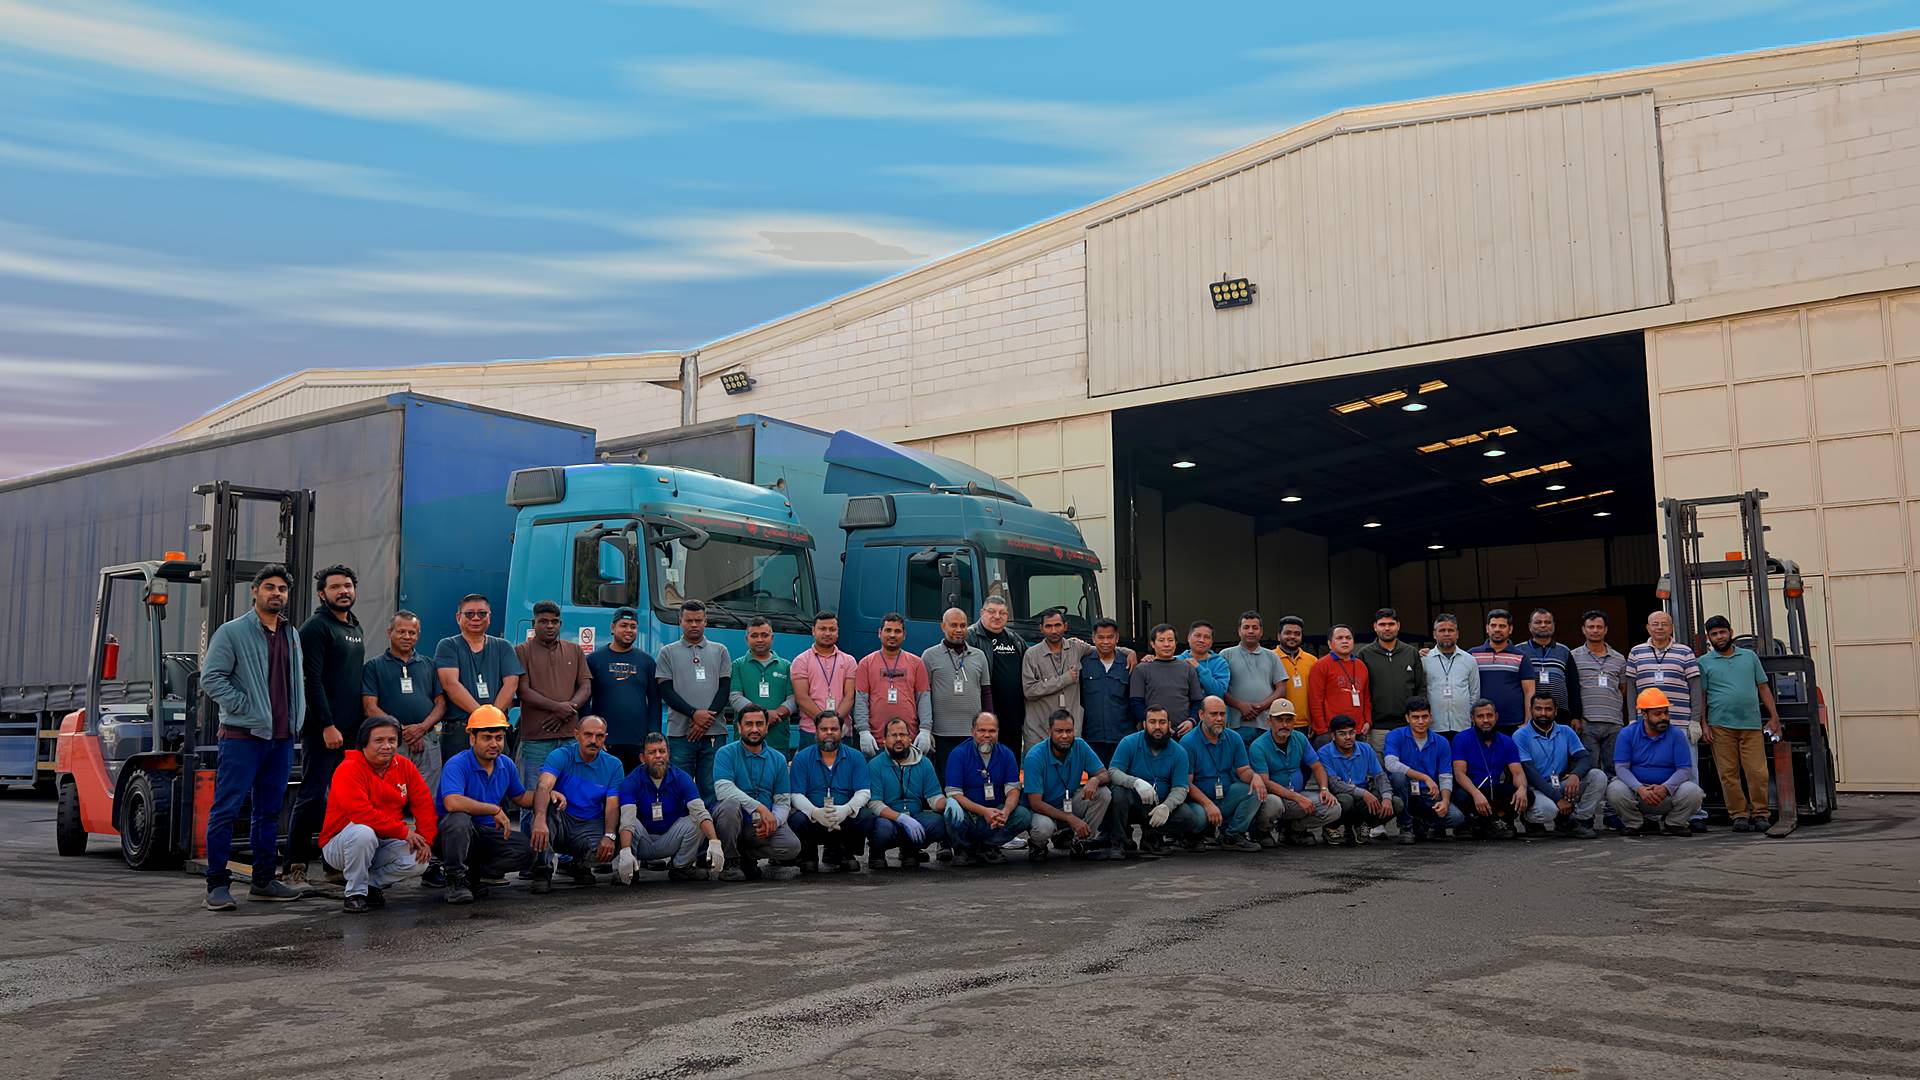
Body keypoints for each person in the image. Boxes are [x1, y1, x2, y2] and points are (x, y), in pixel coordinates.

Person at [200, 563, 306, 911]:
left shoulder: (291, 634)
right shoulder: (232, 632)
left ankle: (263, 881)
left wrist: (297, 718)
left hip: (281, 738)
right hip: (242, 737)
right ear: (255, 591)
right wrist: (245, 707)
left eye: (282, 589)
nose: (277, 593)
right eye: (270, 587)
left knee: (269, 812)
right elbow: (211, 678)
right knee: (227, 810)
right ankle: (217, 884)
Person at [288, 563, 365, 886]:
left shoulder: (354, 625)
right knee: (312, 796)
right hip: (324, 729)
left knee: (344, 799)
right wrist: (327, 724)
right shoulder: (316, 628)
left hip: (351, 729)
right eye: (335, 587)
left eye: (347, 585)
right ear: (322, 594)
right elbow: (311, 680)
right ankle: (294, 866)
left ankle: (333, 863)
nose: (343, 591)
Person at [360, 610, 447, 885]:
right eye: (401, 631)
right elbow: (370, 706)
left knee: (428, 804)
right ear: (390, 633)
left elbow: (441, 704)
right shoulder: (374, 666)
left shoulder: (429, 665)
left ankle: (430, 863)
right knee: (385, 804)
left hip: (427, 742)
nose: (407, 636)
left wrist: (422, 728)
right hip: (390, 746)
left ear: (418, 635)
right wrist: (400, 733)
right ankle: (379, 859)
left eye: (412, 632)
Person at [319, 717, 434, 913]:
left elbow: (424, 804)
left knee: (418, 860)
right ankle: (354, 894)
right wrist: (404, 832)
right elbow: (361, 813)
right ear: (364, 743)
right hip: (341, 844)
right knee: (364, 832)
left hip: (383, 840)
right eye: (379, 740)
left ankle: (370, 886)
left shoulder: (404, 766)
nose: (387, 746)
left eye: (392, 740)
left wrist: (426, 840)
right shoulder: (348, 768)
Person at [433, 705, 537, 904]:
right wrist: (493, 809)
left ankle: (472, 876)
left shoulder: (506, 764)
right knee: (459, 819)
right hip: (452, 837)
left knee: (527, 850)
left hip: (486, 834)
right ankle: (455, 880)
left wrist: (547, 794)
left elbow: (522, 797)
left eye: (499, 738)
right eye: (487, 738)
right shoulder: (457, 764)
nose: (494, 744)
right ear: (472, 738)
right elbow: (452, 802)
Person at [1698, 615, 1784, 833]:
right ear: (1709, 638)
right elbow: (1702, 695)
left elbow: (1763, 687)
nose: (1719, 637)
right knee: (1728, 774)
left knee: (1757, 772)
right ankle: (1739, 815)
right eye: (1714, 634)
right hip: (1720, 725)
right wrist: (1704, 724)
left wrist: (1774, 717)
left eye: (1722, 632)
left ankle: (1761, 813)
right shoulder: (1703, 662)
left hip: (1751, 724)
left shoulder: (1749, 657)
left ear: (1731, 632)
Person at [1624, 611, 1706, 830]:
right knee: (1650, 767)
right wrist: (1632, 719)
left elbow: (1695, 688)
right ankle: (1652, 815)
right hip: (1646, 727)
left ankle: (1695, 815)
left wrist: (1694, 720)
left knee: (1689, 769)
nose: (1659, 628)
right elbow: (1631, 688)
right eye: (1655, 624)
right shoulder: (1636, 652)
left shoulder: (1685, 652)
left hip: (1679, 723)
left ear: (1671, 628)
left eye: (1664, 624)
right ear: (1648, 628)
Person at [528, 715, 624, 893]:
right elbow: (543, 785)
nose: (593, 741)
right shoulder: (560, 755)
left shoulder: (614, 765)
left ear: (605, 737)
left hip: (589, 825)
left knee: (617, 839)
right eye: (588, 735)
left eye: (599, 736)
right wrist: (539, 819)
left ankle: (581, 865)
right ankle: (543, 870)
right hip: (561, 820)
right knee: (547, 803)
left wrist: (609, 835)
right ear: (576, 734)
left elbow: (612, 805)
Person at [613, 732, 723, 883]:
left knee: (697, 820)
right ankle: (628, 866)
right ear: (642, 758)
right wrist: (625, 850)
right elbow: (627, 819)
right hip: (642, 840)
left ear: (668, 754)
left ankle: (681, 867)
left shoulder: (682, 778)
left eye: (662, 751)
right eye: (652, 752)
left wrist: (714, 841)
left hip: (670, 838)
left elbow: (700, 812)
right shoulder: (631, 781)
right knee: (627, 820)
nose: (658, 756)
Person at [432, 592, 522, 776]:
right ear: (458, 617)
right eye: (469, 614)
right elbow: (450, 684)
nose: (475, 618)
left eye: (482, 613)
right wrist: (484, 718)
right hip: (460, 731)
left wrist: (490, 721)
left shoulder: (503, 647)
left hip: (495, 732)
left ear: (489, 616)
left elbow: (511, 684)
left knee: (498, 781)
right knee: (459, 782)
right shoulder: (448, 646)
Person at [711, 704, 801, 881]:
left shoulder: (778, 759)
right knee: (729, 807)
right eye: (749, 724)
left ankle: (746, 857)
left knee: (792, 846)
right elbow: (723, 790)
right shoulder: (725, 753)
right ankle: (730, 862)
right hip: (732, 824)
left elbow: (783, 801)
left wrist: (773, 821)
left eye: (759, 724)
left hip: (760, 827)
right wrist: (760, 808)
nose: (754, 729)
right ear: (739, 727)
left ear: (767, 727)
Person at [514, 600, 591, 799]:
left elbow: (585, 686)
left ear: (560, 624)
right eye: (544, 621)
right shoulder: (522, 651)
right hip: (536, 739)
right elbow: (523, 691)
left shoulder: (575, 650)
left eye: (554, 622)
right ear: (534, 624)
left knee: (572, 795)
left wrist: (567, 709)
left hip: (570, 736)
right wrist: (558, 708)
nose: (550, 626)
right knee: (534, 795)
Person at [657, 599, 731, 804]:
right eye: (689, 620)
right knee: (680, 786)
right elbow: (666, 690)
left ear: (705, 621)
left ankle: (711, 823)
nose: (694, 625)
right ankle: (684, 822)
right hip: (681, 733)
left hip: (714, 732)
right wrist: (694, 714)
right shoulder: (667, 652)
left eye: (698, 620)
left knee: (712, 787)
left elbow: (725, 689)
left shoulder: (720, 650)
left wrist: (705, 720)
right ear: (680, 621)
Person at [1608, 687, 1706, 836]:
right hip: (1637, 794)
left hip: (1667, 794)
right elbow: (1621, 768)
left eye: (1666, 712)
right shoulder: (1627, 733)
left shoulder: (1677, 734)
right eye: (1657, 714)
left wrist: (1665, 787)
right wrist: (1639, 788)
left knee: (1694, 792)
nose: (1664, 717)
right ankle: (1634, 823)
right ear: (1644, 714)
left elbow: (1684, 769)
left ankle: (1674, 823)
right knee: (1614, 789)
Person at [1175, 696, 1267, 851]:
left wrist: (1255, 777)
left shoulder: (1234, 738)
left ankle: (1232, 836)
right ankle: (1191, 836)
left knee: (1255, 791)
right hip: (1199, 802)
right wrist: (1208, 805)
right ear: (1201, 715)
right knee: (1198, 818)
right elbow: (1186, 784)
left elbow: (1243, 771)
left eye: (1222, 714)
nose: (1219, 719)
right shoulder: (1188, 742)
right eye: (1214, 714)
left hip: (1224, 795)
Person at [788, 710, 874, 873]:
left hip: (844, 818)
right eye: (824, 729)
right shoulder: (802, 758)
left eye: (834, 729)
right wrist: (814, 812)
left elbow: (863, 791)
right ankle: (808, 855)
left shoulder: (856, 757)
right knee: (796, 818)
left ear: (842, 731)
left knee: (866, 816)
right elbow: (796, 795)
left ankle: (843, 852)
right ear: (816, 731)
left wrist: (846, 810)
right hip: (813, 819)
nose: (829, 733)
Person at [1022, 709, 1113, 861]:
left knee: (1103, 793)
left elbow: (1105, 774)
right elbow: (1035, 803)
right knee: (1043, 828)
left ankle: (1081, 842)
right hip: (1043, 810)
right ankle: (1037, 846)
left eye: (1069, 731)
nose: (1065, 736)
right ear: (1049, 731)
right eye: (1059, 731)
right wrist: (1070, 819)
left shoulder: (1080, 745)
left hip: (1068, 803)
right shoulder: (1034, 756)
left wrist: (1095, 780)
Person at [942, 712, 1031, 865]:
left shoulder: (1007, 754)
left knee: (1023, 815)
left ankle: (988, 846)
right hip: (969, 813)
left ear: (998, 732)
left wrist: (1005, 812)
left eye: (992, 731)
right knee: (952, 813)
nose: (987, 735)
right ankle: (963, 849)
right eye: (982, 730)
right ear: (973, 732)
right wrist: (983, 811)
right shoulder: (958, 754)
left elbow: (1013, 790)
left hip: (996, 812)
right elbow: (955, 793)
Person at [1250, 700, 1341, 847]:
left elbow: (1317, 766)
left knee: (1333, 808)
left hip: (1297, 794)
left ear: (1294, 721)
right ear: (1269, 721)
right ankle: (1262, 832)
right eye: (1279, 720)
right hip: (1273, 797)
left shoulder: (1300, 738)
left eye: (1289, 720)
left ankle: (1293, 830)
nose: (1284, 724)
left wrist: (1324, 789)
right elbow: (1265, 782)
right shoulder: (1258, 746)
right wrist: (1297, 798)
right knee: (1273, 804)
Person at [1107, 705, 1195, 857]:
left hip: (1160, 804)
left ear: (1169, 725)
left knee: (1188, 817)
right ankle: (1120, 841)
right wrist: (1135, 782)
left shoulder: (1179, 752)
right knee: (1118, 793)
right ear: (1144, 724)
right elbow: (1113, 772)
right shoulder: (1129, 742)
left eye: (1162, 722)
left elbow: (1180, 788)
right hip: (1134, 803)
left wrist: (1167, 806)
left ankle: (1152, 837)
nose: (1157, 727)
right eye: (1152, 722)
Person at [1514, 693, 1604, 839]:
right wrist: (1558, 799)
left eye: (1548, 709)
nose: (1543, 713)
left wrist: (1575, 775)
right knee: (1547, 810)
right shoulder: (1521, 735)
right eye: (1538, 709)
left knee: (1597, 776)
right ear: (1531, 710)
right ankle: (1531, 820)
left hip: (1561, 782)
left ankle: (1578, 821)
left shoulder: (1566, 731)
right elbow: (1530, 773)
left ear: (1555, 711)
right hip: (1536, 787)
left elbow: (1584, 758)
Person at [865, 717, 951, 870]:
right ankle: (877, 852)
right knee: (881, 827)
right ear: (884, 740)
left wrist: (950, 802)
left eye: (903, 734)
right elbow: (874, 804)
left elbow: (934, 797)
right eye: (893, 735)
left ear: (910, 739)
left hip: (916, 816)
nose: (899, 739)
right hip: (888, 818)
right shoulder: (875, 765)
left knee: (939, 823)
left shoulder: (924, 762)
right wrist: (900, 818)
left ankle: (910, 850)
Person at [1382, 696, 1463, 843]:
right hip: (1403, 791)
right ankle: (1406, 827)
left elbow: (1445, 775)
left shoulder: (1441, 742)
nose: (1420, 721)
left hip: (1427, 794)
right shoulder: (1395, 735)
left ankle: (1422, 823)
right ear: (1407, 718)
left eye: (1424, 717)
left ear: (1430, 717)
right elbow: (1390, 764)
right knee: (1398, 777)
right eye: (1415, 717)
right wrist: (1424, 777)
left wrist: (1445, 801)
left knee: (1456, 818)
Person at [589, 607, 662, 771]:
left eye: (633, 626)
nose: (629, 630)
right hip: (604, 742)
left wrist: (652, 737)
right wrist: (592, 737)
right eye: (623, 625)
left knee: (635, 786)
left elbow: (655, 702)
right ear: (613, 628)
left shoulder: (647, 662)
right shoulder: (594, 660)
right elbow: (586, 702)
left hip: (637, 743)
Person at [922, 607, 991, 773]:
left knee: (972, 776)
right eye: (953, 625)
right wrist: (925, 729)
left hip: (973, 733)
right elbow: (924, 696)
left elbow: (986, 693)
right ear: (943, 627)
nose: (959, 630)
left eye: (963, 625)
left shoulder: (979, 656)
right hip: (941, 734)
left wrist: (989, 726)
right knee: (946, 777)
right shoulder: (929, 656)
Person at [1450, 699, 1530, 840]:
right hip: (1471, 790)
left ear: (1496, 717)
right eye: (1480, 716)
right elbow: (1459, 774)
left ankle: (1493, 822)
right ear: (1472, 718)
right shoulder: (1461, 739)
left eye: (1489, 715)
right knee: (1461, 795)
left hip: (1494, 789)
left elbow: (1517, 773)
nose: (1486, 720)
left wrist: (1522, 788)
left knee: (1527, 794)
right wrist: (1476, 794)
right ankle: (1490, 823)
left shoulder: (1507, 741)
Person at [854, 612, 931, 756]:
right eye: (888, 630)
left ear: (904, 635)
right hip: (876, 742)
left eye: (897, 631)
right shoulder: (866, 663)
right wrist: (863, 731)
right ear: (879, 633)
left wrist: (925, 730)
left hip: (909, 740)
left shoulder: (917, 663)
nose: (892, 635)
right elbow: (861, 701)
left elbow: (924, 699)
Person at [1316, 715, 1399, 845]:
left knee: (1396, 803)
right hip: (1339, 796)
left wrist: (1387, 798)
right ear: (1333, 736)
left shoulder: (1366, 748)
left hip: (1362, 798)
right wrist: (1364, 793)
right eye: (1342, 734)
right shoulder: (1324, 752)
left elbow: (1380, 776)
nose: (1348, 737)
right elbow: (1335, 784)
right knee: (1346, 800)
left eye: (1351, 732)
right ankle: (1331, 827)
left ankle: (1363, 825)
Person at [1021, 608, 1096, 748]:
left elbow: (1103, 649)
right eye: (1048, 626)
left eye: (1057, 625)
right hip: (1039, 733)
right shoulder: (1031, 654)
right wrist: (1065, 679)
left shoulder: (1076, 647)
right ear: (1041, 628)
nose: (1053, 630)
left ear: (1065, 626)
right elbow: (1029, 691)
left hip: (1070, 733)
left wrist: (1128, 652)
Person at [1358, 607, 1426, 755]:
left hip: (1407, 726)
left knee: (1408, 766)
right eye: (1382, 624)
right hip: (1377, 728)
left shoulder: (1411, 653)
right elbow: (1361, 691)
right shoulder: (1364, 655)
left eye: (1391, 624)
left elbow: (1420, 688)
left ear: (1398, 626)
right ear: (1375, 627)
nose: (1387, 628)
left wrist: (1417, 719)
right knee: (1379, 767)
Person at [1569, 610, 1630, 773]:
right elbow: (1571, 689)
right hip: (1586, 723)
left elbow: (1623, 689)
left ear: (1606, 630)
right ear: (1583, 629)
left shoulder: (1619, 658)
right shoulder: (1573, 656)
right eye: (1591, 627)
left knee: (1614, 768)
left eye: (1599, 627)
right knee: (1589, 769)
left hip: (1614, 722)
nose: (1595, 630)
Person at [968, 596, 1028, 755]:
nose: (997, 616)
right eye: (992, 611)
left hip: (1013, 717)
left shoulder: (1015, 639)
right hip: (985, 715)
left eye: (1002, 613)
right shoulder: (971, 637)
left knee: (1010, 760)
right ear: (982, 613)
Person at [791, 609, 857, 754]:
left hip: (842, 730)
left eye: (832, 629)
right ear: (813, 631)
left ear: (837, 632)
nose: (827, 633)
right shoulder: (801, 661)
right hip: (811, 731)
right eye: (822, 629)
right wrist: (824, 723)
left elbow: (849, 696)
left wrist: (835, 724)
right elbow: (802, 698)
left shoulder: (849, 661)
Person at [728, 615, 795, 753]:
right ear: (747, 639)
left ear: (772, 637)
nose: (760, 639)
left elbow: (793, 698)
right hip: (745, 740)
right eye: (754, 635)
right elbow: (735, 696)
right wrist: (763, 715)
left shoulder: (786, 666)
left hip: (778, 738)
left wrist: (776, 714)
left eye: (764, 635)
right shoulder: (738, 665)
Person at [1222, 611, 1288, 748]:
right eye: (1246, 627)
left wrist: (1261, 706)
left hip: (1266, 725)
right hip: (1236, 725)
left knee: (1265, 759)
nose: (1250, 631)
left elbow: (1281, 688)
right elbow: (1220, 688)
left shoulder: (1272, 656)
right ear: (1239, 631)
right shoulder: (1226, 655)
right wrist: (1240, 705)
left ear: (1261, 631)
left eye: (1255, 627)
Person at [1129, 622, 1205, 737]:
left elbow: (1197, 701)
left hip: (1184, 733)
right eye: (1161, 640)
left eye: (1170, 640)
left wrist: (1192, 721)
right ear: (1152, 644)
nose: (1166, 644)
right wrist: (1155, 724)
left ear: (1175, 643)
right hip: (1152, 734)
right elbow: (1136, 703)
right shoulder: (1141, 669)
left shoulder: (1188, 668)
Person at [1079, 617, 1136, 765]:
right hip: (1092, 737)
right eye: (1101, 637)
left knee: (1121, 777)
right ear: (1093, 638)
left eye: (1110, 637)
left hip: (1123, 737)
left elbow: (1134, 699)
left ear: (1117, 638)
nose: (1105, 642)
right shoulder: (1083, 662)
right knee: (1097, 777)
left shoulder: (1128, 663)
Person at [1471, 609, 1536, 734]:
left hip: (1514, 723)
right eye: (1493, 625)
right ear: (1487, 628)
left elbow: (1529, 691)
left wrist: (1527, 721)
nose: (1497, 629)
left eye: (1502, 626)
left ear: (1510, 629)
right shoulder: (1472, 655)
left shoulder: (1522, 657)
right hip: (1481, 723)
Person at [1306, 625, 1370, 746]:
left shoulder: (1361, 666)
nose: (1345, 641)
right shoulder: (1320, 666)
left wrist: (1367, 721)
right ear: (1330, 644)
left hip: (1358, 731)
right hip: (1330, 733)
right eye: (1339, 638)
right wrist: (1322, 729)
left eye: (1348, 638)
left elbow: (1366, 697)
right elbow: (1315, 700)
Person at [1516, 608, 1583, 723]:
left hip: (1560, 713)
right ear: (1530, 626)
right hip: (1529, 712)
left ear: (1553, 625)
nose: (1543, 625)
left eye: (1547, 622)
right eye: (1538, 622)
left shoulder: (1564, 651)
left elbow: (1573, 685)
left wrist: (1576, 716)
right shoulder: (1519, 650)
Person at [1421, 613, 1480, 736]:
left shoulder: (1469, 660)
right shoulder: (1424, 660)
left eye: (1450, 630)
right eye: (1442, 630)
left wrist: (1472, 718)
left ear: (1457, 634)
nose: (1446, 634)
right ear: (1434, 634)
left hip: (1463, 725)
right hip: (1433, 726)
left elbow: (1474, 694)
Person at [1272, 615, 1317, 723]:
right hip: (1279, 724)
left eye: (1297, 634)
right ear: (1279, 636)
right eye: (1288, 633)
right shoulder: (1270, 658)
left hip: (1307, 724)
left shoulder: (1313, 661)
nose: (1292, 636)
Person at [1177, 620, 1231, 701]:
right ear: (1188, 638)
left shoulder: (1220, 663)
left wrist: (1199, 668)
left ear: (1211, 641)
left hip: (1211, 709)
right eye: (1197, 636)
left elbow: (1219, 693)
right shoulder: (1177, 660)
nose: (1201, 640)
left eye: (1206, 637)